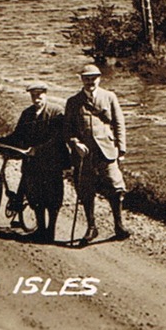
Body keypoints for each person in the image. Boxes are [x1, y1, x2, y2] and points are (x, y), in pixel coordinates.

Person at [65, 64, 128, 243]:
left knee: (116, 187)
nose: (90, 81)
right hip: (84, 155)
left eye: (93, 78)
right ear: (81, 80)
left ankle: (119, 225)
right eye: (86, 78)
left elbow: (119, 123)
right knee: (86, 190)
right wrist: (75, 143)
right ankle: (91, 227)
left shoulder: (109, 97)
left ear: (99, 78)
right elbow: (67, 129)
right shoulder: (73, 101)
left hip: (107, 151)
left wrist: (121, 149)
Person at [0, 82, 67, 243]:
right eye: (33, 95)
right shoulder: (27, 114)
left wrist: (38, 149)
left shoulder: (57, 112)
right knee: (35, 197)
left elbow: (58, 138)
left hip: (52, 162)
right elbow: (18, 135)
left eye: (40, 95)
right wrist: (0, 140)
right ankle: (40, 229)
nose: (37, 98)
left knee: (53, 198)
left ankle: (51, 231)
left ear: (46, 94)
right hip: (32, 162)